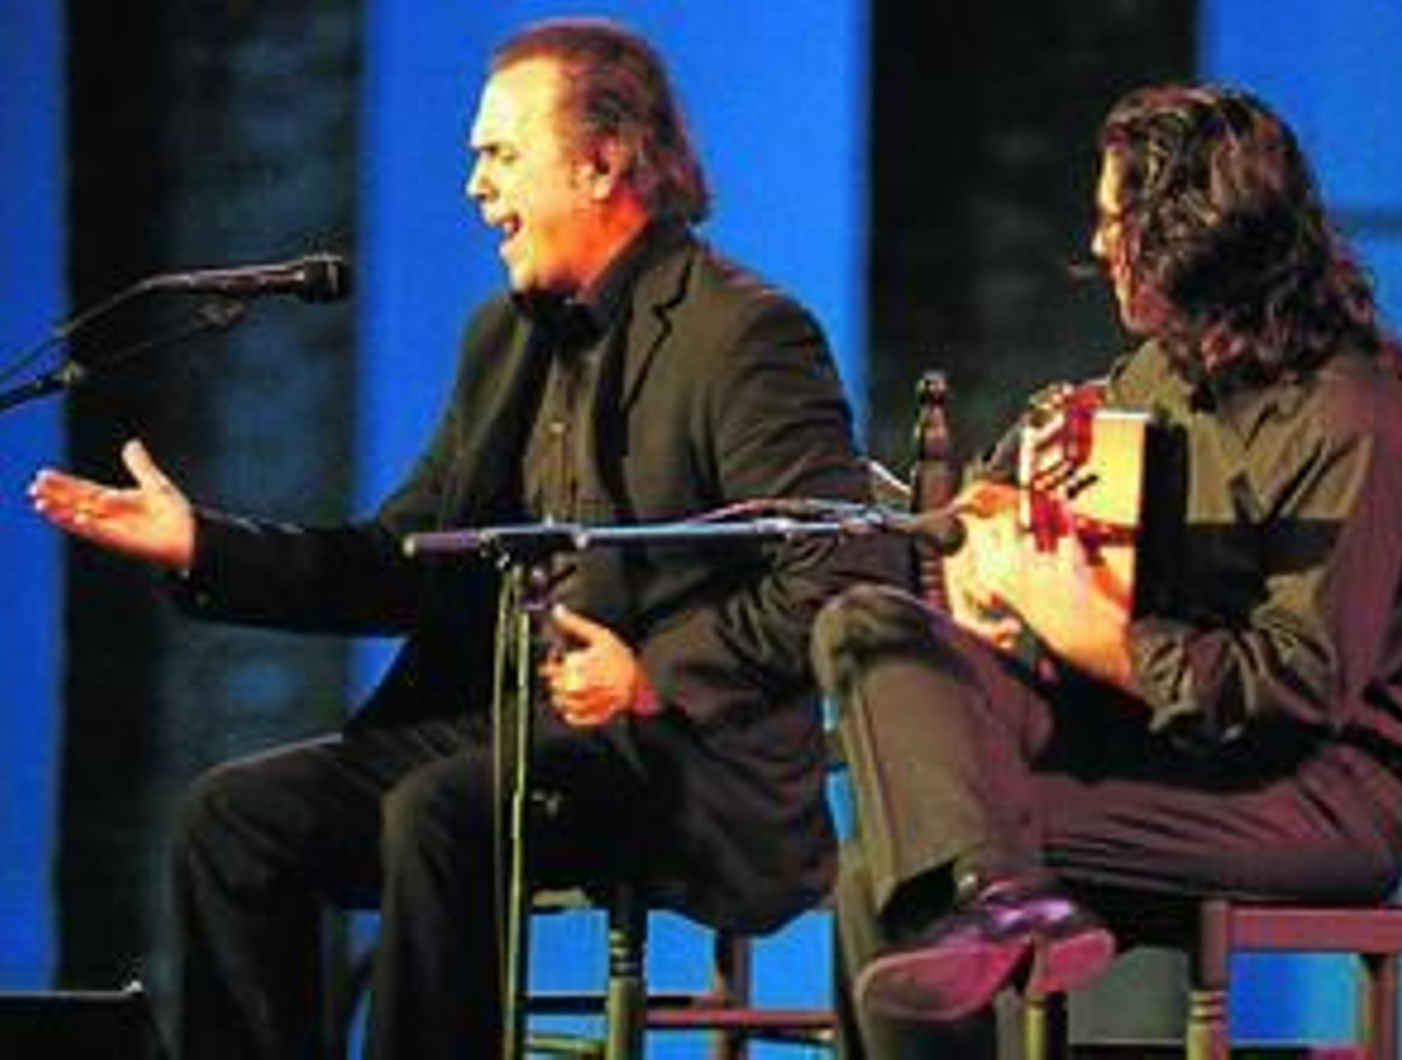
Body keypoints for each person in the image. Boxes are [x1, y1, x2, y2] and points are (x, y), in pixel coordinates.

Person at [30, 18, 897, 1060]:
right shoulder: (504, 338)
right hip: (512, 731)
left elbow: (844, 568)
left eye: (500, 155)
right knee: (235, 819)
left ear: (603, 160)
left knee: (439, 811)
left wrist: (651, 676)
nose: (477, 188)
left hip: (685, 756)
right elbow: (401, 560)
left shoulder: (742, 331)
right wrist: (202, 547)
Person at [813, 83, 1402, 1057]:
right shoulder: (1165, 370)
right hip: (1158, 747)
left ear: (1192, 232)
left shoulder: (1349, 418)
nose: (1099, 244)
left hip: (1316, 793)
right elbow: (1019, 477)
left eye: (1118, 221)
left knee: (893, 866)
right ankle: (1003, 892)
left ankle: (998, 885)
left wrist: (1100, 635)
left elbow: (1294, 688)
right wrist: (988, 533)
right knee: (865, 626)